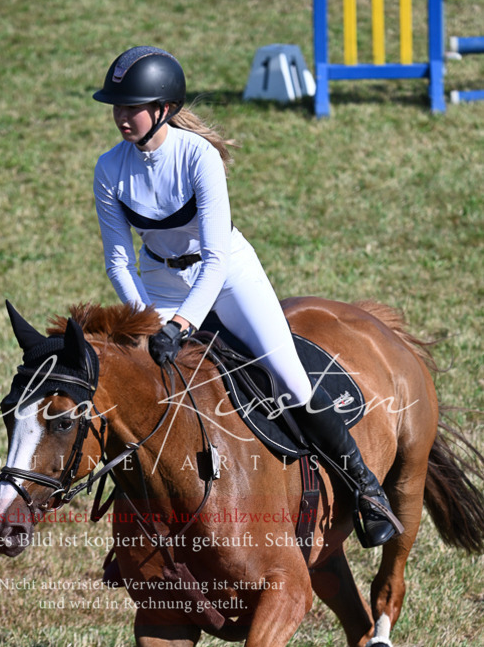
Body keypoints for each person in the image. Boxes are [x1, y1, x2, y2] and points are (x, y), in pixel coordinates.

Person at [92, 46, 402, 548]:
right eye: (117, 107)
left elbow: (215, 259)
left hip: (229, 275)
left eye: (132, 107)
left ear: (164, 109)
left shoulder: (199, 157)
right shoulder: (110, 169)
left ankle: (366, 490)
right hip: (160, 285)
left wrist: (181, 326)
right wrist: (146, 319)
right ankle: (143, 525)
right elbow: (118, 262)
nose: (121, 117)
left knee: (291, 380)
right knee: (144, 385)